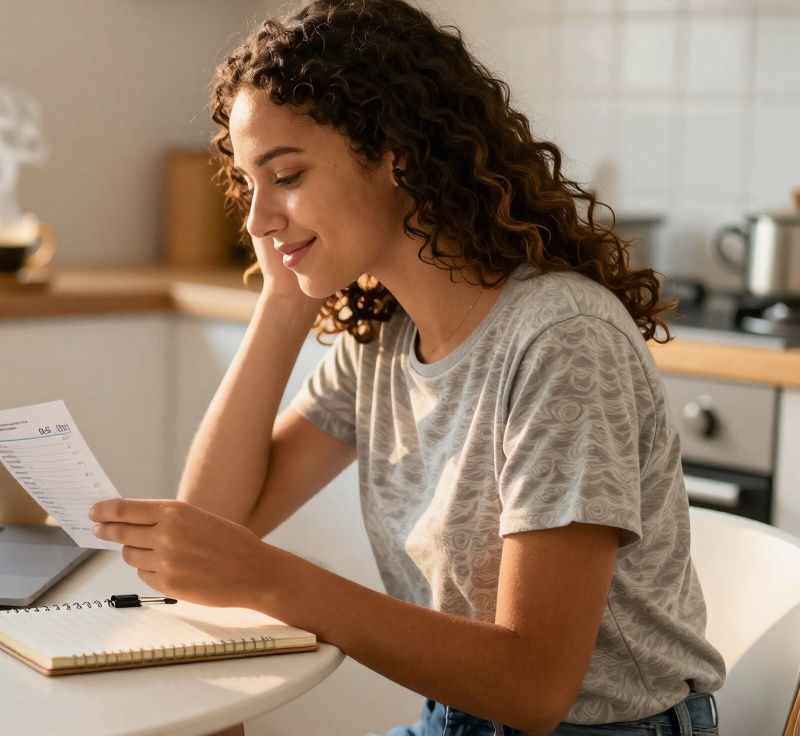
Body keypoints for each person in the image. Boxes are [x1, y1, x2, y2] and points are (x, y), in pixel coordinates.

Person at [88, 1, 726, 734]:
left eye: (287, 174)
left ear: (396, 152)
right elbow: (215, 528)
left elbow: (536, 686)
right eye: (249, 184)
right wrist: (283, 302)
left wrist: (269, 579)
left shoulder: (561, 339)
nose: (258, 218)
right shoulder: (385, 337)